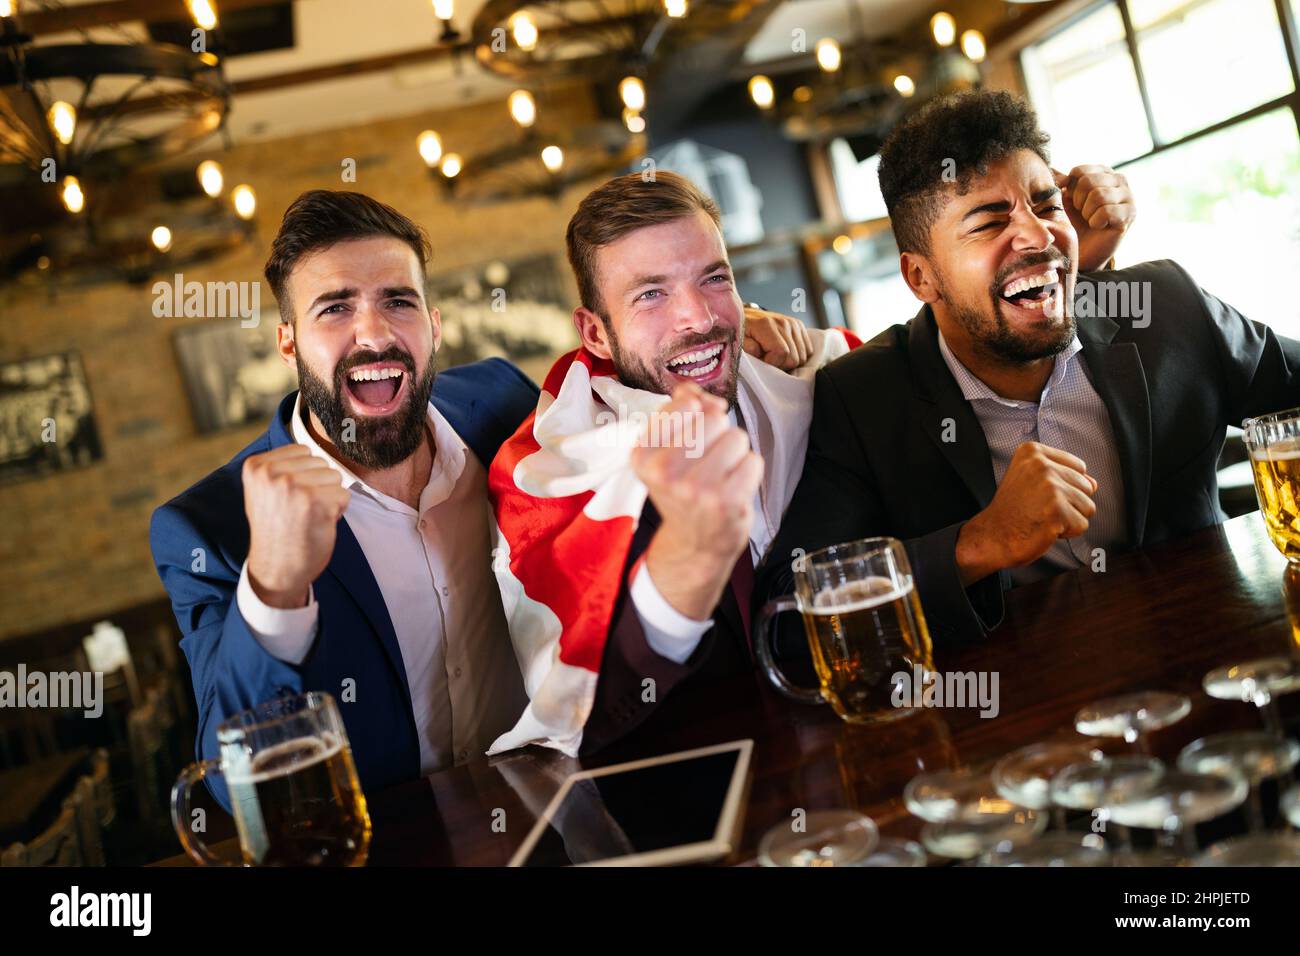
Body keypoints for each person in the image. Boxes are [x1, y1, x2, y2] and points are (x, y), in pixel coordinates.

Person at [489, 164, 1134, 757]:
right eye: (650, 295)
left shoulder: (805, 381)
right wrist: (685, 560)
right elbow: (581, 716)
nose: (697, 318)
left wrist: (1075, 272)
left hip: (893, 740)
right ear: (595, 332)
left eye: (714, 279)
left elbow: (943, 347)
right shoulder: (559, 477)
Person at [759, 89, 1300, 647]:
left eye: (1046, 206)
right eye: (990, 223)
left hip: (1219, 661)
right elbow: (787, 615)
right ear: (921, 278)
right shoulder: (864, 399)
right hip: (1011, 713)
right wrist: (977, 544)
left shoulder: (1165, 307)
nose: (1040, 236)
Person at [150, 190, 536, 803]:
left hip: (558, 809)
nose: (374, 333)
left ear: (434, 327)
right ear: (288, 344)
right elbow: (237, 784)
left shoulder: (503, 402)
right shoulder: (210, 529)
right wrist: (273, 585)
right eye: (334, 308)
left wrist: (745, 335)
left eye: (398, 301)